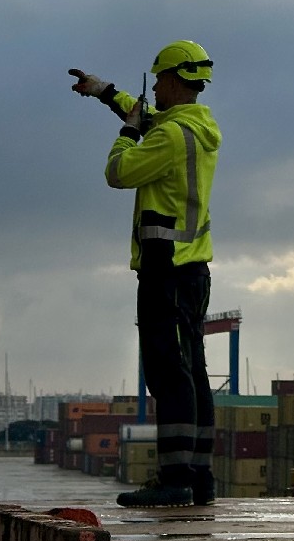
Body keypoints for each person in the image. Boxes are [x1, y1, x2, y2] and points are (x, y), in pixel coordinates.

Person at [69, 41, 221, 507]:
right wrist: (103, 91)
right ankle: (199, 477)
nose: (153, 87)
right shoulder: (197, 127)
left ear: (174, 79)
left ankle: (174, 479)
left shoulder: (168, 137)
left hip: (165, 269)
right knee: (192, 372)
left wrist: (126, 133)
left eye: (158, 79)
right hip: (192, 269)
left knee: (168, 374)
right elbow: (145, 114)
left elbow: (118, 171)